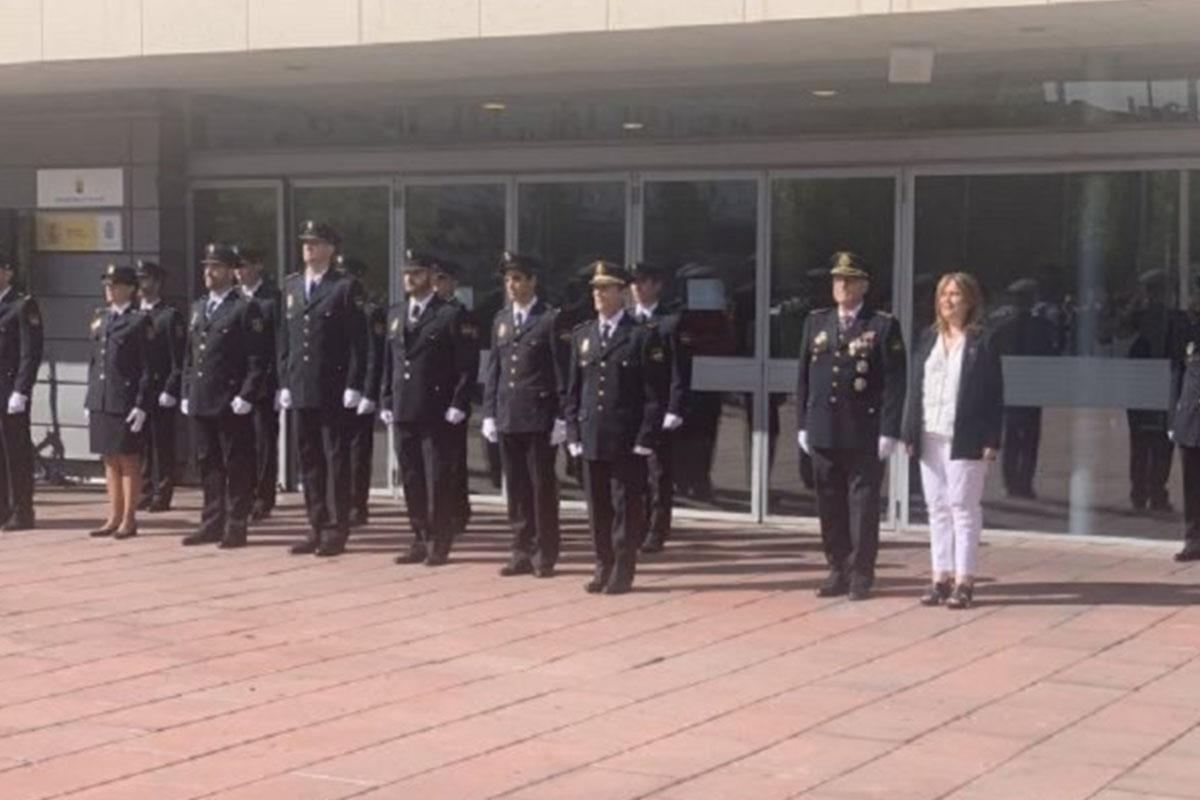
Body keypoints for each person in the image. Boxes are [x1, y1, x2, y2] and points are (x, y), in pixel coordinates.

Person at [796, 252, 906, 601]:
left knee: (863, 504)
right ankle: (837, 568)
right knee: (829, 504)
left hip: (863, 430)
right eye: (837, 279)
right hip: (823, 427)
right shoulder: (816, 321)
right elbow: (803, 377)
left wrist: (889, 429)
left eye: (849, 279)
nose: (841, 285)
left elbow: (895, 382)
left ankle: (861, 573)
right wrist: (802, 423)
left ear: (864, 285)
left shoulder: (882, 325)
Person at [564, 261, 667, 595]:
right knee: (598, 508)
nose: (598, 294)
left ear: (622, 292)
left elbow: (654, 395)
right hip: (591, 435)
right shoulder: (583, 335)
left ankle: (622, 570)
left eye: (605, 288)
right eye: (595, 288)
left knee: (625, 507)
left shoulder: (641, 335)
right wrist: (573, 433)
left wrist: (645, 437)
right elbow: (573, 391)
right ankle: (602, 565)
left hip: (625, 438)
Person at [902, 272, 1003, 610]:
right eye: (944, 294)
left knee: (963, 507)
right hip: (930, 433)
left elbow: (993, 394)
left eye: (956, 294)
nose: (948, 300)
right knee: (937, 508)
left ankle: (965, 580)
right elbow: (915, 387)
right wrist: (909, 430)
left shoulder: (982, 341)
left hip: (965, 436)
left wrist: (991, 438)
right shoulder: (928, 337)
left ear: (970, 300)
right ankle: (940, 578)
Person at [381, 250, 476, 566]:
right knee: (411, 476)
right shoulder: (396, 313)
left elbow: (465, 365)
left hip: (436, 409)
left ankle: (439, 541)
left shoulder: (448, 314)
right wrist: (386, 398)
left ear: (432, 277)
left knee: (437, 478)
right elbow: (390, 361)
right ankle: (419, 536)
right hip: (404, 406)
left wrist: (459, 402)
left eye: (417, 273)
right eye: (407, 273)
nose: (410, 279)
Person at [278, 220, 368, 557]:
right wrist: (285, 381)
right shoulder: (291, 286)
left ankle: (335, 528)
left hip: (332, 386)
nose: (308, 247)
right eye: (306, 242)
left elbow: (358, 342)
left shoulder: (344, 287)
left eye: (315, 243)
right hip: (301, 386)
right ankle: (315, 525)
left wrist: (354, 384)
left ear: (331, 249)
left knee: (335, 459)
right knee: (309, 459)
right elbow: (285, 339)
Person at [482, 252, 566, 578]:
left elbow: (561, 372)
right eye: (507, 280)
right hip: (508, 414)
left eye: (517, 278)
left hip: (538, 415)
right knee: (516, 487)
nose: (511, 285)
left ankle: (544, 552)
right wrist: (489, 412)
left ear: (533, 281)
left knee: (541, 487)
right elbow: (495, 370)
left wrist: (561, 416)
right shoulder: (501, 320)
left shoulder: (549, 319)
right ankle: (520, 549)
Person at [179, 244, 267, 548]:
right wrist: (186, 390)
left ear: (231, 272)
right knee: (208, 464)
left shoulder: (244, 308)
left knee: (236, 464)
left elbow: (257, 358)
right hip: (202, 397)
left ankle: (236, 524)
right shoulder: (199, 307)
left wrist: (247, 394)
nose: (208, 272)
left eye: (215, 267)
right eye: (207, 266)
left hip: (230, 400)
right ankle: (211, 522)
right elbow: (190, 355)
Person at [85, 264, 154, 540]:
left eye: (114, 285)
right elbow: (94, 361)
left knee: (128, 459)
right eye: (107, 285)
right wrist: (89, 397)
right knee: (109, 458)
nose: (109, 290)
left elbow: (148, 368)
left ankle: (129, 519)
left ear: (130, 289)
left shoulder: (139, 321)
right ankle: (113, 516)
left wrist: (141, 404)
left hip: (125, 400)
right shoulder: (100, 317)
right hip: (102, 397)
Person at [629, 261, 689, 553]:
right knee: (634, 473)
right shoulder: (627, 321)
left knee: (659, 473)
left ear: (657, 285)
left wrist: (675, 408)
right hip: (632, 410)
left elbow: (680, 370)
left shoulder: (670, 322)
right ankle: (637, 525)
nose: (637, 288)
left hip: (660, 409)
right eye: (633, 283)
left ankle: (657, 529)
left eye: (643, 282)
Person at [991, 278, 1057, 499]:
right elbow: (1051, 354)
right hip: (1031, 388)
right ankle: (1024, 483)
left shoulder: (1002, 327)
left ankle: (1011, 483)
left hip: (1012, 387)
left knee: (1012, 436)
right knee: (1029, 438)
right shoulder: (1043, 327)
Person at [336, 254, 384, 527]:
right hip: (338, 390)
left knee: (358, 452)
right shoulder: (338, 310)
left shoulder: (369, 312)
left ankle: (357, 504)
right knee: (339, 451)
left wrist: (368, 391)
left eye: (348, 275)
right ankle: (342, 502)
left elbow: (373, 355)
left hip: (359, 391)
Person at [235, 246, 282, 521]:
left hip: (264, 383)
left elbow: (279, 344)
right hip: (236, 384)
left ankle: (263, 497)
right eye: (237, 267)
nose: (239, 272)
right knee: (241, 443)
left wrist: (279, 382)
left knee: (264, 442)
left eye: (244, 265)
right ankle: (244, 493)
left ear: (258, 266)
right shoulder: (234, 298)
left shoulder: (272, 299)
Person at [136, 260, 185, 513]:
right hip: (138, 392)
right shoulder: (134, 315)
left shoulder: (169, 316)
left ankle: (162, 492)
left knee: (161, 444)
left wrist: (171, 389)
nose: (140, 284)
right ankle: (144, 489)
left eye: (145, 279)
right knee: (141, 443)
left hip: (160, 389)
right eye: (138, 279)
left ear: (157, 283)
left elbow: (178, 359)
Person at [433, 257, 477, 540]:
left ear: (452, 283)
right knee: (437, 462)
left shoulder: (461, 315)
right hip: (429, 400)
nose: (436, 285)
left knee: (453, 461)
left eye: (441, 280)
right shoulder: (428, 313)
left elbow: (467, 364)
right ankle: (442, 512)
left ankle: (458, 512)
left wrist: (460, 401)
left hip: (451, 399)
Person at [0, 253, 43, 531]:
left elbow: (30, 353)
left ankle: (22, 510)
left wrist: (21, 390)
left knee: (15, 452)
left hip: (10, 391)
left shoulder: (22, 305)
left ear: (7, 273)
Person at [1167, 289, 1200, 563]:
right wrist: (1172, 419)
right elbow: (1177, 375)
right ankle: (1193, 540)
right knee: (1192, 485)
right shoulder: (1188, 331)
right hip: (1191, 421)